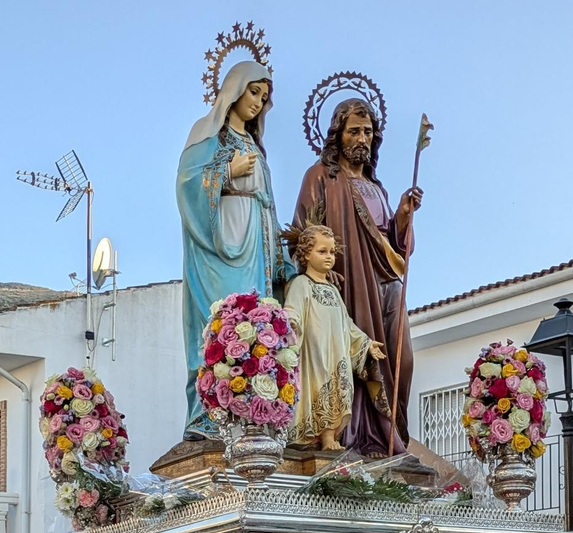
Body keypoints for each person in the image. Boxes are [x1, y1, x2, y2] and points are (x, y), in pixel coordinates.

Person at [292, 98, 422, 458]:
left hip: (385, 281)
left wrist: (403, 217)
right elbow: (302, 232)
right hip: (346, 284)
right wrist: (318, 270)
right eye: (354, 131)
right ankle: (356, 436)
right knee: (349, 357)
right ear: (338, 135)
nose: (362, 138)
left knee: (401, 357)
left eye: (367, 131)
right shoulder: (321, 177)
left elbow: (395, 247)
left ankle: (390, 432)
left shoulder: (376, 188)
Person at [176, 57, 290, 437]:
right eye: (253, 92)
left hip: (254, 240)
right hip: (216, 244)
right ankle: (209, 412)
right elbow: (186, 185)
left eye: (264, 97)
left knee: (254, 326)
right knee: (217, 324)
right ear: (234, 91)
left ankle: (252, 409)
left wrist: (283, 259)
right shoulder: (208, 135)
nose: (258, 102)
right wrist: (226, 173)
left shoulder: (256, 146)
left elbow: (269, 202)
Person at [281, 223, 385, 451]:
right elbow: (292, 311)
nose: (329, 257)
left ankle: (330, 437)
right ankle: (312, 436)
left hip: (337, 351)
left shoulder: (333, 290)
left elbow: (346, 323)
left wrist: (366, 343)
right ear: (306, 254)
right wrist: (290, 323)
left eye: (331, 252)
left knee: (338, 390)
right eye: (322, 251)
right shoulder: (301, 284)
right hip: (314, 351)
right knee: (317, 389)